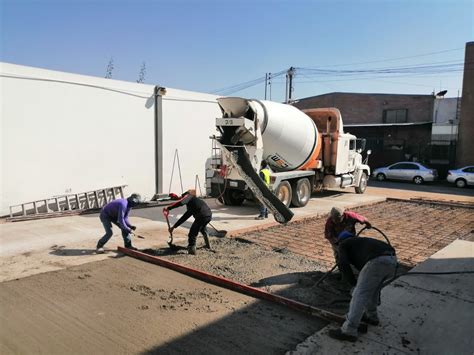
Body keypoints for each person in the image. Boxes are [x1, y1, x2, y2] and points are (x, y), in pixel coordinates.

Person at [328, 233, 397, 342]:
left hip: (377, 261)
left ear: (341, 241)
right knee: (374, 290)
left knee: (359, 294)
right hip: (392, 261)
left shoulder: (344, 244)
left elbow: (343, 264)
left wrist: (353, 283)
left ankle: (349, 331)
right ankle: (372, 316)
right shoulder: (361, 244)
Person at [164, 189, 212, 255]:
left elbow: (181, 203)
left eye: (183, 197)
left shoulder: (189, 196)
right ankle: (208, 245)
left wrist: (169, 207)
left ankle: (192, 250)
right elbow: (184, 217)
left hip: (201, 216)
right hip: (208, 215)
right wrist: (174, 227)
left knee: (192, 233)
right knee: (202, 228)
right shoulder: (193, 204)